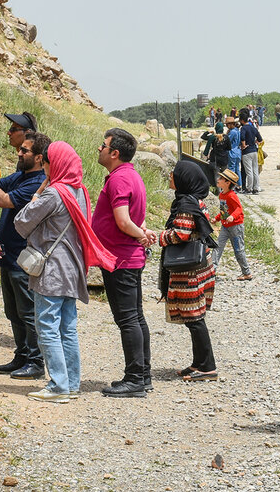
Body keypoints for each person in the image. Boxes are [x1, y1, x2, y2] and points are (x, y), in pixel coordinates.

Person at [14, 142, 116, 402]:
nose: (44, 166)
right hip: (73, 269)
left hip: (52, 271)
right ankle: (71, 383)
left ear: (54, 163)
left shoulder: (53, 194)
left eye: (46, 162)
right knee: (67, 328)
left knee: (47, 326)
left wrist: (38, 192)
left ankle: (58, 386)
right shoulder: (79, 191)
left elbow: (21, 222)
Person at [0, 129, 50, 380]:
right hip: (9, 257)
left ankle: (36, 361)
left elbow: (4, 200)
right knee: (14, 312)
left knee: (28, 312)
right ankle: (22, 355)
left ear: (39, 157)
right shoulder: (20, 176)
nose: (19, 152)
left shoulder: (35, 183)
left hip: (23, 259)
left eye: (24, 150)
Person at [93, 128, 154, 398]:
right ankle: (143, 375)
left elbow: (123, 221)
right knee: (136, 317)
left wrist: (142, 233)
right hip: (127, 256)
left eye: (103, 146)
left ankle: (134, 379)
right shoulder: (131, 175)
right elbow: (131, 219)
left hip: (120, 258)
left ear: (114, 153)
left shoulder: (119, 179)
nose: (99, 149)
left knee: (127, 318)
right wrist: (143, 231)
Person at [150, 160, 219, 382]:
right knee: (195, 317)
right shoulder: (195, 201)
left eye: (175, 173)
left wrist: (156, 237)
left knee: (194, 318)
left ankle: (208, 367)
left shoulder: (186, 204)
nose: (171, 176)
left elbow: (180, 233)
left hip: (189, 271)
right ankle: (198, 363)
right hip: (198, 266)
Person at [210, 169, 253, 280]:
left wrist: (232, 217)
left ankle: (246, 272)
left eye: (221, 179)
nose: (218, 180)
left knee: (238, 250)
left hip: (236, 227)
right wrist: (216, 219)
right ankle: (212, 271)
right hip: (225, 227)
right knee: (217, 246)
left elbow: (239, 208)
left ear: (228, 183)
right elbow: (223, 211)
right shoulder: (222, 195)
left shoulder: (231, 196)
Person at [240, 113, 263, 195]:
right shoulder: (253, 128)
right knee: (255, 170)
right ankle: (256, 188)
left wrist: (243, 145)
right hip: (254, 151)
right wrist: (254, 142)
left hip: (247, 152)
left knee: (249, 171)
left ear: (242, 120)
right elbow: (260, 139)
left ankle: (249, 188)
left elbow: (242, 137)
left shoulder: (243, 128)